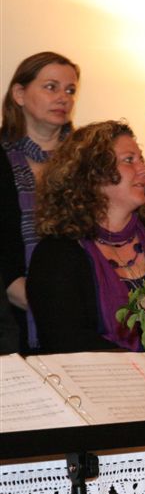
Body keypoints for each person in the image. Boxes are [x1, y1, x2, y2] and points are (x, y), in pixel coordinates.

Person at [27, 121, 145, 354]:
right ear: (92, 175)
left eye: (141, 159)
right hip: (99, 376)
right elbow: (66, 342)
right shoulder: (56, 255)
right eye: (129, 160)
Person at [0, 51, 80, 352]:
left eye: (70, 90)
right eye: (51, 87)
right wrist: (32, 298)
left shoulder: (89, 161)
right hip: (11, 317)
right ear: (19, 94)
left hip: (83, 313)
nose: (63, 98)